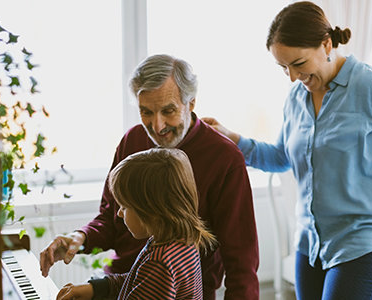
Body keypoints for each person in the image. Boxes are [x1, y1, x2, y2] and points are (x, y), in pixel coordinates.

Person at [202, 2, 372, 300]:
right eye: (283, 67)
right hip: (310, 246)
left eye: (298, 64)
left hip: (365, 243)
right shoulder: (296, 99)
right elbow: (281, 157)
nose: (291, 76)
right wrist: (231, 138)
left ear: (326, 44)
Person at [40, 54, 260, 300]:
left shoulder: (224, 157)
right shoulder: (132, 141)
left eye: (168, 111)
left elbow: (242, 262)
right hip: (123, 281)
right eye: (146, 112)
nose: (157, 126)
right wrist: (80, 237)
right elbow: (112, 216)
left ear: (191, 102)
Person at [55, 148, 218, 300]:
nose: (119, 213)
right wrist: (92, 288)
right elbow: (136, 279)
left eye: (125, 207)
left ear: (153, 211)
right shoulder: (180, 243)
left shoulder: (160, 262)